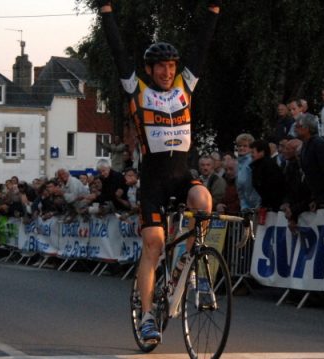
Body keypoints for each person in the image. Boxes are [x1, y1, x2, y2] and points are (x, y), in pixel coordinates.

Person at [99, 0, 218, 343]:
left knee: (204, 200)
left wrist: (212, 11)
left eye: (171, 66)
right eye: (160, 67)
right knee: (154, 243)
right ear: (149, 70)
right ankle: (148, 316)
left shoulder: (185, 87)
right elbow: (118, 51)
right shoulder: (137, 91)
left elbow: (201, 47)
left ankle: (194, 267)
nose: (167, 72)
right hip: (152, 180)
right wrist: (107, 12)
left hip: (181, 175)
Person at [295, 113, 324, 216]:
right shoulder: (305, 146)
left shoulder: (318, 144)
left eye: (298, 126)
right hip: (319, 199)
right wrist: (315, 199)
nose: (295, 129)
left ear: (307, 128)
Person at [249, 140, 285, 211]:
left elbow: (272, 188)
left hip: (274, 207)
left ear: (262, 152)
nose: (251, 155)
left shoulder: (268, 166)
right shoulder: (258, 166)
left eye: (253, 152)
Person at [235, 133, 261, 210]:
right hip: (246, 207)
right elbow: (240, 189)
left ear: (251, 148)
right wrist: (244, 206)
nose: (241, 148)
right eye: (239, 146)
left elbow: (257, 184)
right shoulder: (238, 164)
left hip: (257, 206)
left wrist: (258, 205)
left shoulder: (252, 162)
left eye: (245, 146)